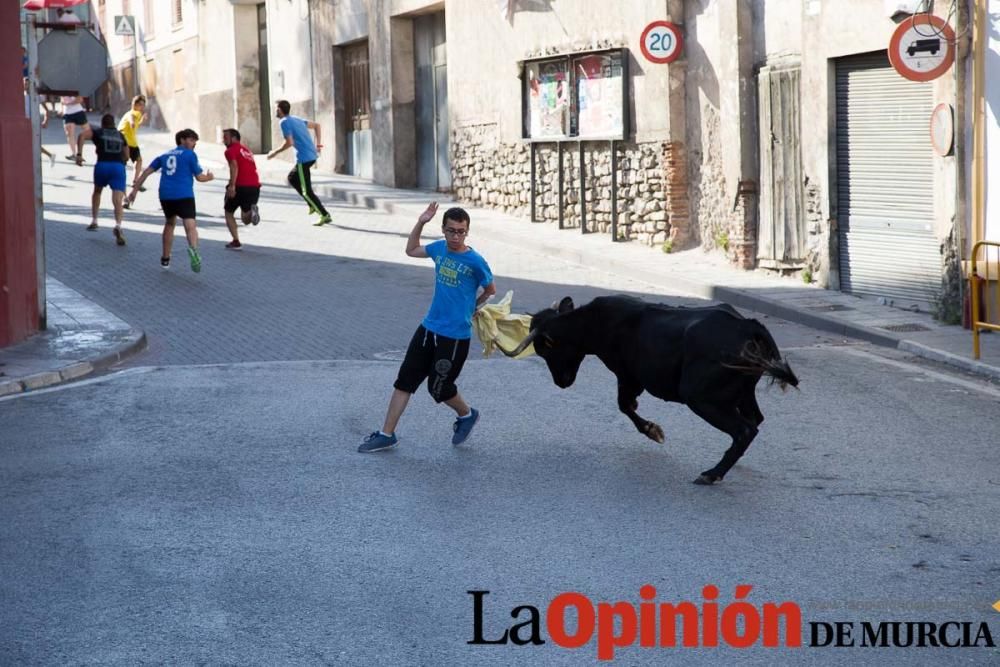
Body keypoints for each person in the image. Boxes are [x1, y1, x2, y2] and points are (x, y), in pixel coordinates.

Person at [359, 204, 496, 453]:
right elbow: (411, 250)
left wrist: (473, 307)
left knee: (439, 388)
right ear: (443, 230)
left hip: (454, 337)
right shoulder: (439, 249)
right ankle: (386, 434)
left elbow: (490, 289)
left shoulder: (475, 261)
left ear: (467, 232)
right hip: (428, 329)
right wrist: (421, 222)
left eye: (461, 232)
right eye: (451, 231)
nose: (456, 237)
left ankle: (467, 415)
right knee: (405, 381)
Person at [127, 129, 214, 272]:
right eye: (191, 140)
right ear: (182, 140)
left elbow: (146, 172)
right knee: (190, 225)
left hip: (166, 195)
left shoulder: (164, 155)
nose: (194, 144)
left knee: (169, 223)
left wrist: (134, 190)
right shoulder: (190, 155)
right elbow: (200, 177)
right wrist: (210, 177)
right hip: (184, 194)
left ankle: (165, 259)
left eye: (195, 141)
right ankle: (194, 250)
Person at [266, 100, 331, 226]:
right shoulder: (296, 119)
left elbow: (289, 142)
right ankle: (311, 204)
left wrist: (274, 153)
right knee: (292, 178)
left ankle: (324, 214)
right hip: (311, 156)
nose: (275, 111)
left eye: (275, 109)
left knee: (307, 191)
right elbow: (317, 125)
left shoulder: (284, 122)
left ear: (279, 110)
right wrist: (318, 145)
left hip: (304, 158)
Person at [74, 114, 129, 244]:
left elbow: (81, 136)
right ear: (114, 123)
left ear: (103, 123)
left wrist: (79, 154)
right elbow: (127, 155)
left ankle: (94, 220)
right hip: (118, 167)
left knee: (97, 191)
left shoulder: (98, 132)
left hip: (102, 165)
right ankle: (118, 225)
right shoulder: (121, 136)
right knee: (117, 200)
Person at [221, 128, 261, 250]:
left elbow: (234, 166)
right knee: (245, 219)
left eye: (226, 137)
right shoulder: (247, 150)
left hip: (240, 186)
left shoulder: (230, 151)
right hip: (254, 186)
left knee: (228, 212)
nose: (224, 140)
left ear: (234, 138)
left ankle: (236, 241)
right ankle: (251, 212)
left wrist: (232, 186)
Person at [118, 95, 146, 200]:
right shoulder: (133, 113)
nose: (142, 107)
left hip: (131, 142)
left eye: (143, 105)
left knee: (138, 160)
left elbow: (137, 123)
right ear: (135, 105)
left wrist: (141, 120)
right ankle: (125, 195)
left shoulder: (136, 114)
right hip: (125, 142)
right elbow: (131, 118)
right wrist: (132, 122)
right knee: (123, 166)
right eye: (141, 105)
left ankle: (135, 182)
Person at [61, 95, 87, 161]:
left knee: (88, 132)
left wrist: (68, 103)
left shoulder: (74, 86)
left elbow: (80, 99)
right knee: (69, 134)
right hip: (67, 113)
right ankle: (74, 155)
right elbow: (62, 100)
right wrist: (62, 110)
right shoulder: (61, 87)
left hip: (78, 112)